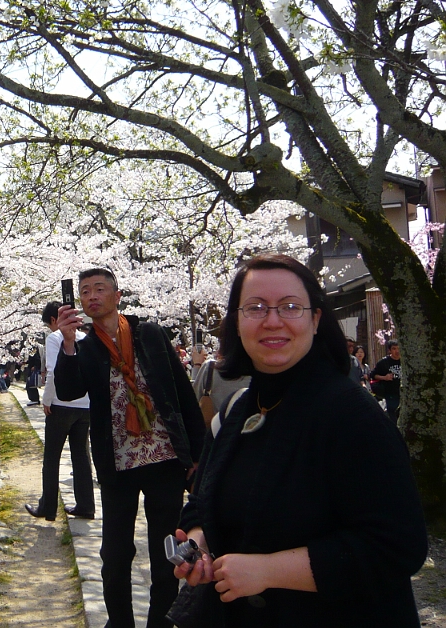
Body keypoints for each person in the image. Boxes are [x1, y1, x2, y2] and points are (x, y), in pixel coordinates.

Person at [171, 254, 426, 628]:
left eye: (290, 307)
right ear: (237, 322)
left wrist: (269, 571)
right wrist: (198, 544)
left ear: (316, 319)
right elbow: (202, 500)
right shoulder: (238, 408)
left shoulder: (351, 416)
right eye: (255, 308)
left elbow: (398, 546)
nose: (272, 320)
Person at [55, 268, 206, 628]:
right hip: (117, 463)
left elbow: (182, 392)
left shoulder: (148, 334)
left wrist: (198, 456)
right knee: (115, 554)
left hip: (165, 458)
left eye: (100, 289)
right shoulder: (87, 346)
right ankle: (119, 622)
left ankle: (160, 622)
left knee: (165, 550)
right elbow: (69, 390)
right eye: (85, 291)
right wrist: (68, 341)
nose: (92, 296)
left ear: (117, 295)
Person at [25, 301, 94, 522]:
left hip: (61, 406)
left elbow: (55, 371)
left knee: (52, 457)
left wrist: (47, 399)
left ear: (55, 320)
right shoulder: (85, 338)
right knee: (81, 456)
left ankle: (48, 507)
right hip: (85, 406)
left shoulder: (56, 338)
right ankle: (86, 505)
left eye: (49, 323)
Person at [371, 340, 403, 423]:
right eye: (394, 349)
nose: (397, 351)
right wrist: (384, 377)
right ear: (390, 350)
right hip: (391, 394)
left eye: (398, 348)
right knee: (394, 418)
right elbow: (373, 375)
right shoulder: (384, 362)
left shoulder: (405, 361)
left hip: (404, 394)